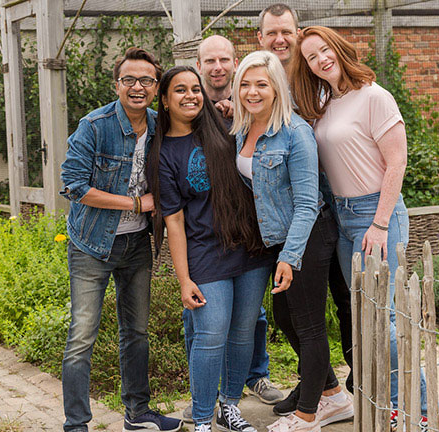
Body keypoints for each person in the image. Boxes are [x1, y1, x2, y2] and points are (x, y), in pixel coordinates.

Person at [290, 26, 439, 431]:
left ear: (339, 48)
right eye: (311, 57)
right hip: (343, 218)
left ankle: (424, 411)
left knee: (383, 317)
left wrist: (379, 222)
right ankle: (394, 405)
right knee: (366, 317)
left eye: (325, 50)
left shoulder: (375, 96)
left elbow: (397, 162)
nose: (321, 59)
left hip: (377, 216)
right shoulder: (325, 103)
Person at [59, 47, 181, 432]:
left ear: (156, 87)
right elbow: (73, 185)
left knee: (137, 333)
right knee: (82, 337)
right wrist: (135, 203)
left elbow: (198, 125)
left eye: (146, 80)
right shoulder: (94, 126)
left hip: (137, 245)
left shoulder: (162, 126)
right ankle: (76, 425)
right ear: (117, 85)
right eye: (129, 79)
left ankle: (137, 414)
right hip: (92, 244)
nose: (137, 86)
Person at [231, 50, 353, 432]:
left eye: (261, 84)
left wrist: (290, 256)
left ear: (276, 89)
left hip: (307, 236)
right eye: (245, 84)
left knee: (309, 325)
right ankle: (332, 393)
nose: (252, 92)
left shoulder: (295, 133)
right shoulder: (243, 128)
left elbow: (306, 203)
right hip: (278, 240)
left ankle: (307, 415)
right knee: (286, 318)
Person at [148, 65, 273, 432]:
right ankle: (202, 419)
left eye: (195, 89)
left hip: (250, 248)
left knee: (243, 331)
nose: (190, 96)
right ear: (165, 101)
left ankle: (229, 407)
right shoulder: (163, 153)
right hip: (205, 253)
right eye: (180, 90)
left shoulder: (226, 128)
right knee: (211, 334)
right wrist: (184, 279)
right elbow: (173, 222)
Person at [258, 3, 356, 412]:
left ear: (298, 34)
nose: (280, 39)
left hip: (337, 208)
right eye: (272, 33)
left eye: (287, 32)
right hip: (299, 216)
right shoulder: (260, 80)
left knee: (347, 300)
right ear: (260, 38)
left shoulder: (316, 79)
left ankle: (360, 383)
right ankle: (323, 385)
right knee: (290, 312)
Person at [191, 34, 284, 410]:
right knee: (201, 319)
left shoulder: (248, 103)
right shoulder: (191, 106)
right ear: (199, 65)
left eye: (224, 60)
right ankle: (204, 393)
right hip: (205, 232)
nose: (218, 68)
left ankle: (255, 376)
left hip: (249, 229)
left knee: (251, 315)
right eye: (210, 61)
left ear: (234, 62)